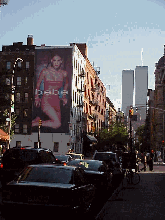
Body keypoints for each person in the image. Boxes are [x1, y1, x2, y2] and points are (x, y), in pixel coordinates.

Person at [32, 54, 69, 129]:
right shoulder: (45, 71)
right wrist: (36, 97)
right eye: (54, 60)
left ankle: (38, 120)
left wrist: (64, 96)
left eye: (58, 60)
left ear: (61, 61)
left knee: (57, 125)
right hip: (46, 100)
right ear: (51, 61)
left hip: (57, 100)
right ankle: (34, 124)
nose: (56, 62)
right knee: (57, 124)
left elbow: (66, 85)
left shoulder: (64, 73)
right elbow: (37, 85)